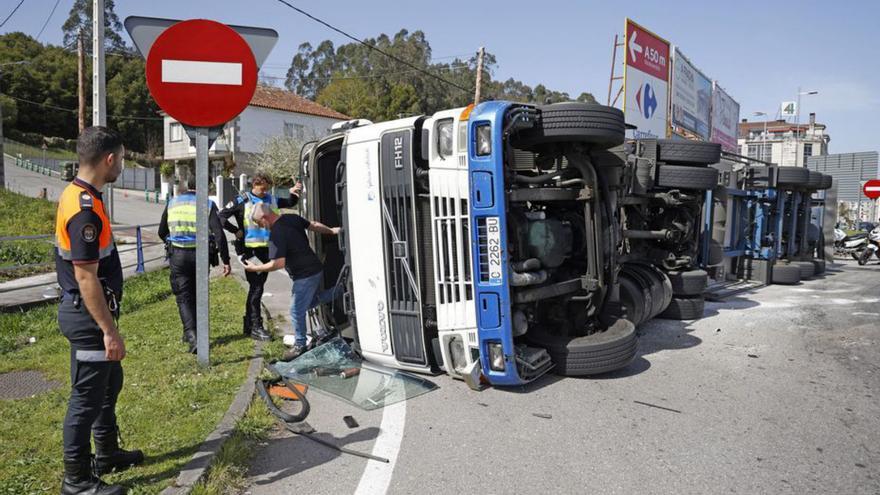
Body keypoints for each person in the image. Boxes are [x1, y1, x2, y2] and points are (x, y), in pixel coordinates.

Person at [55, 126, 143, 495]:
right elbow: (86, 277)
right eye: (121, 159)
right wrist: (109, 330)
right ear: (109, 159)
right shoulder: (85, 210)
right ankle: (76, 479)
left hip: (89, 313)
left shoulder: (83, 195)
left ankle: (106, 452)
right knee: (87, 397)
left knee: (109, 384)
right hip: (89, 316)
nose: (121, 165)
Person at [243, 202, 342, 360]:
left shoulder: (276, 233)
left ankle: (300, 345)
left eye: (258, 222)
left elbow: (278, 263)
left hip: (305, 275)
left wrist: (255, 268)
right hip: (315, 268)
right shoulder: (291, 218)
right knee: (308, 303)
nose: (260, 226)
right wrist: (331, 231)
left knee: (296, 310)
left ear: (264, 217)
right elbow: (313, 225)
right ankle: (342, 291)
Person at [219, 173, 302, 341]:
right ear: (254, 185)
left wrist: (293, 192)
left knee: (257, 288)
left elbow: (290, 202)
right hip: (250, 251)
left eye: (266, 189)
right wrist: (235, 230)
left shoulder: (271, 198)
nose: (264, 192)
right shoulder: (242, 200)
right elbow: (220, 217)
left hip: (267, 249)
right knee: (256, 288)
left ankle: (249, 323)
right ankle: (256, 326)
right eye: (262, 188)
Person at [158, 176, 232, 353]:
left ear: (187, 186)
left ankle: (191, 335)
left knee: (183, 296)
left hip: (178, 255)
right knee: (198, 293)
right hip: (200, 255)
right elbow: (219, 235)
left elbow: (162, 231)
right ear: (205, 186)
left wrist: (174, 240)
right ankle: (194, 334)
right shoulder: (207, 204)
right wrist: (226, 260)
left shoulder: (173, 203)